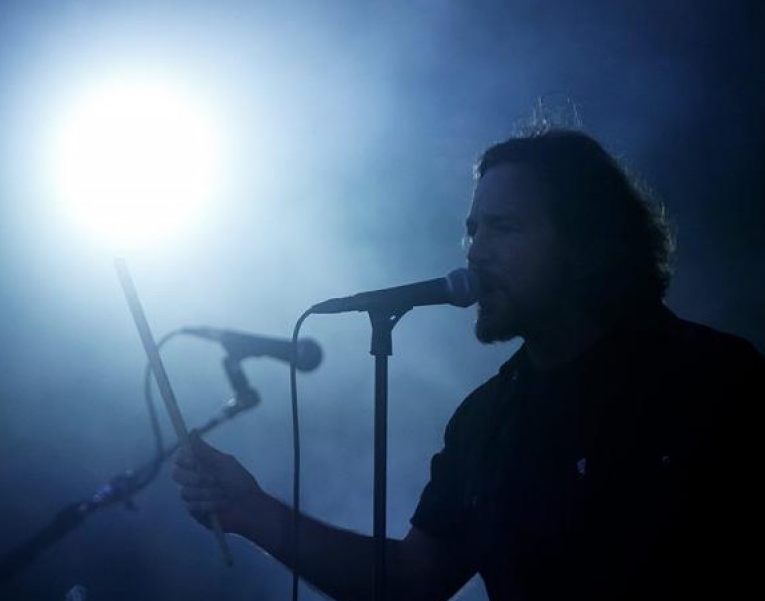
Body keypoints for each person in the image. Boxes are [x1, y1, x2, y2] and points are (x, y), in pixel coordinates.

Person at [172, 130, 763, 600]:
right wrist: (255, 513)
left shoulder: (714, 378)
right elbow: (412, 580)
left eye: (504, 227)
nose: (476, 251)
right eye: (472, 230)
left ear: (586, 244)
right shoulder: (487, 420)